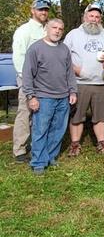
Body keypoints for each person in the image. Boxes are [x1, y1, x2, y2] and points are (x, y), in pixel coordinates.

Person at [22, 19, 77, 174]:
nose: (57, 31)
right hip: (43, 97)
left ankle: (50, 157)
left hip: (63, 97)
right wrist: (31, 96)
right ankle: (38, 162)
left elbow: (69, 73)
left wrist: (73, 91)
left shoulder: (64, 49)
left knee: (58, 130)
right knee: (40, 130)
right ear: (47, 28)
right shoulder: (35, 48)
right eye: (54, 27)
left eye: (60, 28)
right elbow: (27, 74)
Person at [63, 3, 104, 156]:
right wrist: (77, 70)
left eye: (97, 16)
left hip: (102, 83)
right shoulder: (74, 34)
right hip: (79, 83)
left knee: (100, 116)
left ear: (101, 19)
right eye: (91, 16)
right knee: (77, 116)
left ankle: (101, 142)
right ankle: (75, 144)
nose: (94, 19)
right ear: (85, 17)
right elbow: (64, 56)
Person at [11, 0, 50, 163]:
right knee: (25, 112)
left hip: (45, 80)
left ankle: (37, 145)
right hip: (28, 78)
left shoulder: (48, 29)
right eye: (40, 9)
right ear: (32, 11)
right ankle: (20, 149)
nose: (43, 12)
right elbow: (19, 57)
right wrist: (26, 80)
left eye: (46, 10)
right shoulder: (24, 30)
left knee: (41, 113)